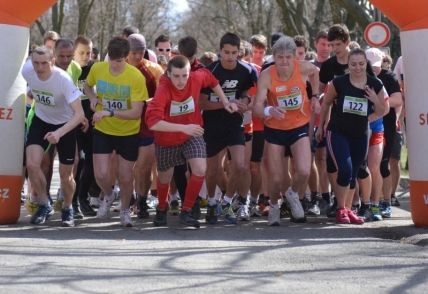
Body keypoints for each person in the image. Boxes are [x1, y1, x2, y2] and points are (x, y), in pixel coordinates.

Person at [146, 55, 237, 228]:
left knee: (201, 168)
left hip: (192, 133)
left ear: (190, 73)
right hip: (167, 138)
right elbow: (152, 122)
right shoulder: (163, 89)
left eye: (184, 75)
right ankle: (162, 208)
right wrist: (182, 128)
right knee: (165, 177)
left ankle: (186, 210)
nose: (181, 81)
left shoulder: (197, 77)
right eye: (176, 76)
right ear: (168, 74)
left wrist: (225, 101)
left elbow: (212, 80)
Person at [253, 36, 320, 226]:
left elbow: (316, 72)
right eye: (280, 57)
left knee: (304, 171)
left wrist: (314, 96)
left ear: (294, 57)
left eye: (288, 57)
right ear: (273, 57)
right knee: (275, 179)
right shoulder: (266, 76)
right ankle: (274, 205)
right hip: (275, 129)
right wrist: (269, 110)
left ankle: (291, 195)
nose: (284, 62)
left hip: (299, 125)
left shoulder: (304, 68)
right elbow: (256, 107)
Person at [316, 48, 386, 224]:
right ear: (349, 64)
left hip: (360, 135)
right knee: (345, 170)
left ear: (366, 64)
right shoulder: (339, 82)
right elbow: (326, 103)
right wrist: (320, 127)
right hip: (338, 132)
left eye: (361, 64)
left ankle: (348, 210)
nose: (357, 68)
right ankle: (340, 209)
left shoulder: (374, 84)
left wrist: (375, 100)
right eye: (353, 64)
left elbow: (381, 111)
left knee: (353, 173)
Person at [84, 37, 148, 227]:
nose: (115, 64)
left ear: (126, 58)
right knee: (101, 174)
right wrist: (92, 98)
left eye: (119, 61)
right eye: (112, 59)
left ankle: (126, 209)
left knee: (126, 176)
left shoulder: (135, 76)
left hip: (128, 132)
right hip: (103, 129)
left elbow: (137, 113)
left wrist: (110, 112)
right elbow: (87, 85)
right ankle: (110, 195)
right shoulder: (97, 68)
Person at [22, 46, 84, 226]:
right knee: (33, 165)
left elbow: (79, 115)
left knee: (66, 176)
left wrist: (59, 132)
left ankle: (67, 207)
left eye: (44, 64)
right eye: (36, 63)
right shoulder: (27, 70)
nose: (39, 68)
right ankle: (44, 203)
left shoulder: (63, 80)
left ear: (53, 62)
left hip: (64, 125)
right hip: (41, 121)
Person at [199, 32, 254, 224]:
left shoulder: (246, 70)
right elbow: (202, 102)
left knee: (239, 166)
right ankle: (213, 203)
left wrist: (244, 101)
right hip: (212, 125)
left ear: (239, 52)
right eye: (226, 52)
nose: (230, 57)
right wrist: (225, 103)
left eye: (234, 52)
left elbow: (247, 92)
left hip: (234, 124)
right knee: (213, 170)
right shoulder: (209, 72)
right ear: (220, 51)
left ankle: (227, 202)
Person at [126, 34, 164, 219]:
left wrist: (147, 102)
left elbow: (164, 94)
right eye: (133, 53)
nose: (137, 57)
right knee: (126, 168)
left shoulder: (154, 69)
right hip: (124, 122)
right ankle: (130, 196)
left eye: (141, 53)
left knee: (145, 166)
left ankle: (142, 200)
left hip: (147, 124)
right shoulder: (118, 67)